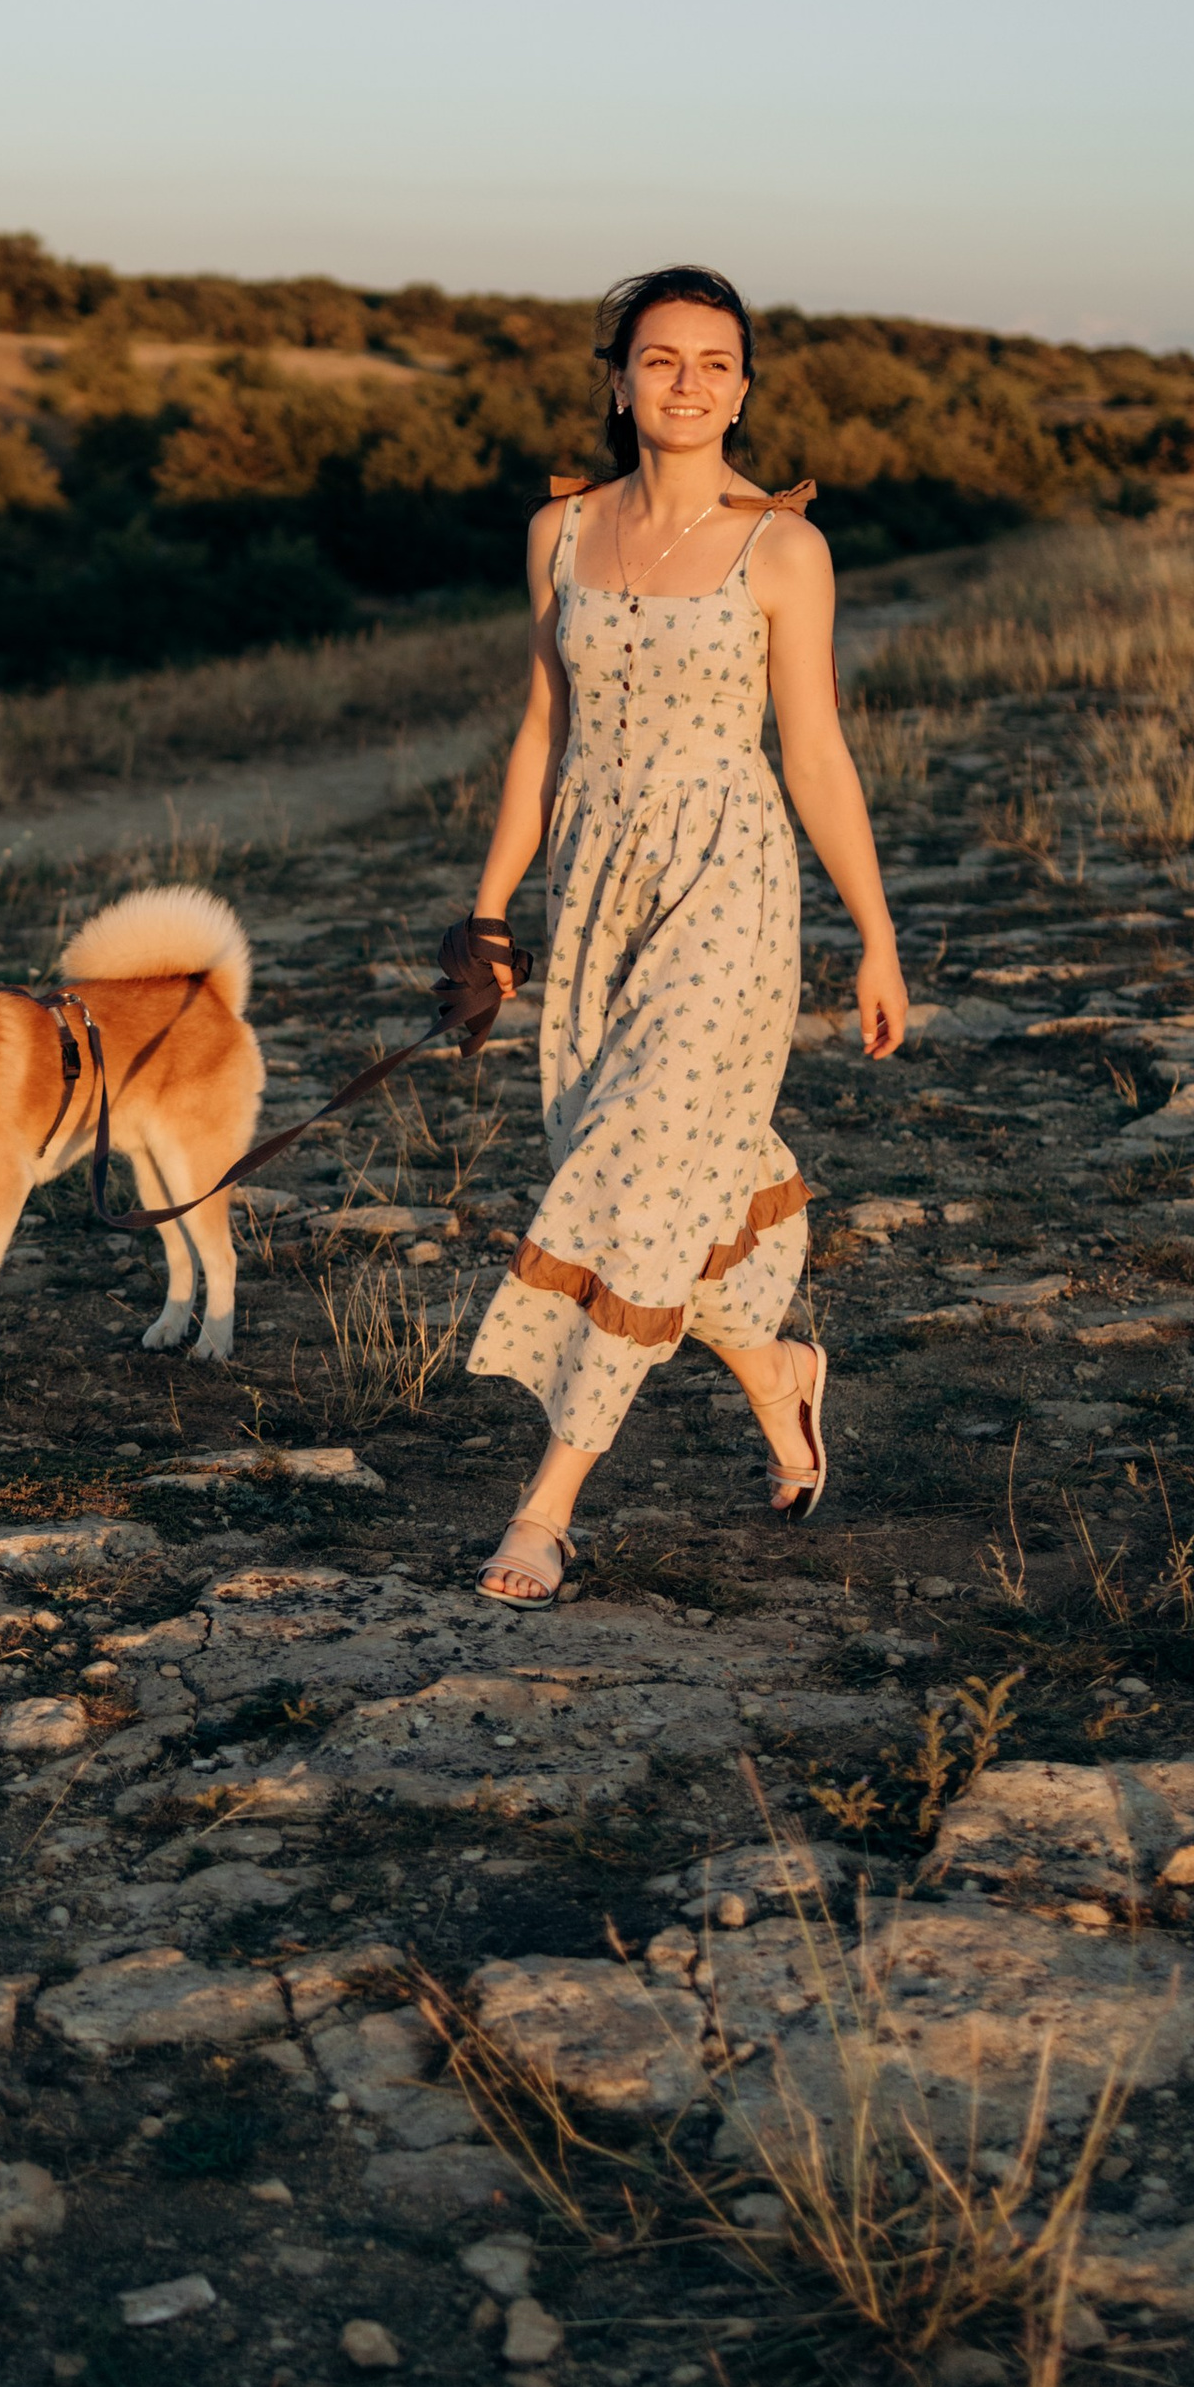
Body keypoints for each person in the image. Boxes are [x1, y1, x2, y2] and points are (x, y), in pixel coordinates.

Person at [449, 266, 907, 1607]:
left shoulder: (786, 548)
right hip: (596, 879)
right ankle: (776, 1371)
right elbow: (542, 733)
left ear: (744, 389)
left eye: (715, 363)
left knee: (638, 1167)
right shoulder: (558, 531)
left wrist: (875, 936)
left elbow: (814, 753)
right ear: (619, 381)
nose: (688, 383)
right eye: (661, 359)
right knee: (647, 1164)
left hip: (730, 880)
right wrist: (488, 915)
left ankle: (545, 1510)